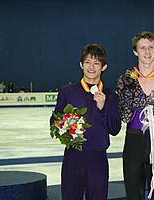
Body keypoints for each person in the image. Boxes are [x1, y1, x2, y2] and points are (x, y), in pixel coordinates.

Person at [51, 44, 121, 200]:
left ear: (104, 67)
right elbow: (54, 120)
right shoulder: (67, 92)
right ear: (81, 64)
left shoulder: (111, 95)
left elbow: (115, 129)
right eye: (88, 62)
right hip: (73, 157)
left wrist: (103, 108)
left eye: (97, 63)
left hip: (98, 158)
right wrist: (64, 124)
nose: (91, 67)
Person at [117, 31, 154, 200]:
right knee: (133, 193)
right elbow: (124, 115)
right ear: (135, 51)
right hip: (134, 141)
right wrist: (128, 93)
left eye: (151, 47)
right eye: (142, 48)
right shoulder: (126, 80)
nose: (147, 52)